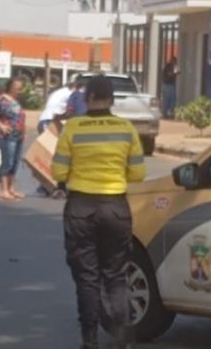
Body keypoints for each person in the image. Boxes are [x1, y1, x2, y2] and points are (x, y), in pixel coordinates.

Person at [51, 74, 145, 349]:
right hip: (115, 208)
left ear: (87, 97)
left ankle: (89, 339)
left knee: (87, 279)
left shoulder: (73, 128)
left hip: (81, 209)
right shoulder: (126, 129)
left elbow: (59, 171)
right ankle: (122, 338)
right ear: (112, 99)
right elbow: (138, 174)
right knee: (116, 276)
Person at [0, 77, 27, 201]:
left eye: (20, 88)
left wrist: (24, 132)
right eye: (16, 88)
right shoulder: (2, 99)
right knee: (7, 162)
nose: (19, 91)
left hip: (18, 135)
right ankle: (4, 190)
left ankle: (11, 188)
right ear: (10, 87)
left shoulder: (16, 100)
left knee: (15, 162)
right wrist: (0, 125)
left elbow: (20, 117)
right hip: (7, 136)